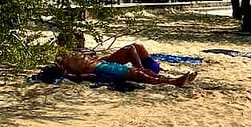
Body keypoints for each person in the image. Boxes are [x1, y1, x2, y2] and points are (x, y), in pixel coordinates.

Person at [56, 48, 196, 87]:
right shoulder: (64, 61)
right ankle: (172, 82)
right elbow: (74, 75)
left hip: (103, 65)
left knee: (142, 72)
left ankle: (171, 79)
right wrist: (67, 75)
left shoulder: (74, 53)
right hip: (101, 69)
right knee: (138, 74)